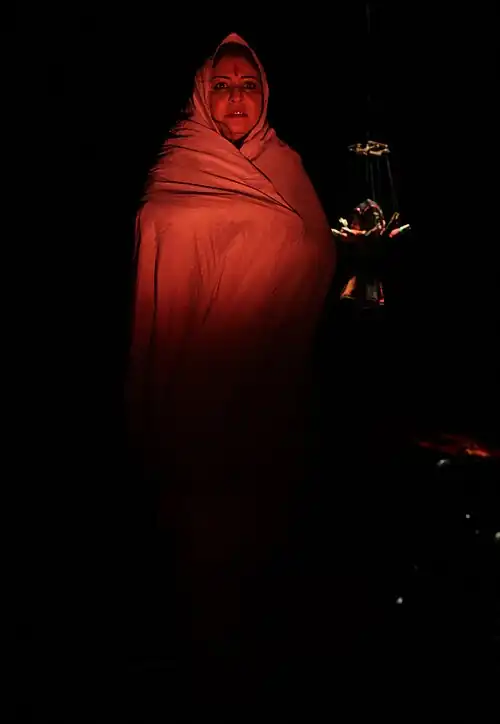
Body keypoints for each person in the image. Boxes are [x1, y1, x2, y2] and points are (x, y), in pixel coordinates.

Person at [125, 32, 336, 713]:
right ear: (201, 93)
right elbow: (158, 243)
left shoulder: (286, 165)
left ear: (265, 93)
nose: (236, 96)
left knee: (263, 551)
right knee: (200, 556)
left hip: (270, 388)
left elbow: (319, 252)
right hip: (192, 388)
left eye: (248, 84)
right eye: (222, 84)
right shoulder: (177, 165)